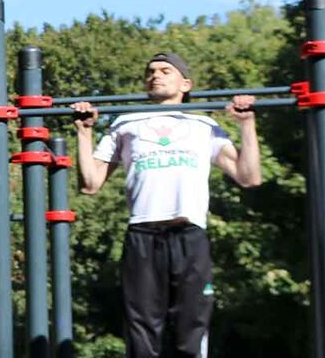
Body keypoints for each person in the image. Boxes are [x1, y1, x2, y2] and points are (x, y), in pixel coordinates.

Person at [72, 52, 262, 358]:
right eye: (150, 71)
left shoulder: (203, 124)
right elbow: (90, 184)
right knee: (142, 331)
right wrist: (84, 132)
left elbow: (249, 176)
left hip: (188, 233)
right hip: (143, 234)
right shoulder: (126, 122)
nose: (155, 75)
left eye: (164, 70)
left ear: (185, 83)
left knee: (192, 328)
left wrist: (247, 124)